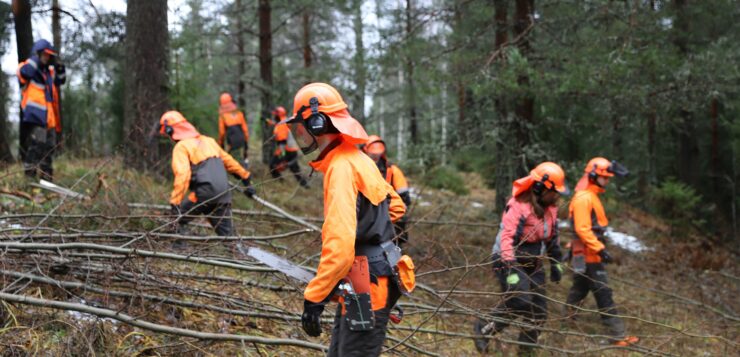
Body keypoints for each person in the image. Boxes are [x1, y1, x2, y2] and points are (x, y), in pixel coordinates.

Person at [286, 83, 410, 356]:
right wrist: (371, 225)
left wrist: (314, 297)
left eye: (301, 129)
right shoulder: (358, 159)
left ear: (317, 125)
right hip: (365, 277)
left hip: (366, 283)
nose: (300, 136)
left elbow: (340, 245)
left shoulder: (341, 168)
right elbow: (396, 207)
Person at [473, 162, 568, 355]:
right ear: (541, 188)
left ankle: (526, 351)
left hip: (533, 261)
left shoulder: (551, 209)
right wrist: (510, 270)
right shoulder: (519, 205)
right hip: (507, 258)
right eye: (555, 192)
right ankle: (483, 329)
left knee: (539, 311)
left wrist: (557, 263)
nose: (557, 196)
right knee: (520, 300)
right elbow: (507, 239)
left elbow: (552, 239)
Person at [565, 157, 639, 346]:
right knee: (603, 292)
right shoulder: (584, 198)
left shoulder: (589, 195)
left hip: (586, 252)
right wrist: (600, 249)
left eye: (608, 177)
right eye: (604, 177)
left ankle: (566, 320)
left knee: (580, 288)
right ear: (593, 176)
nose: (607, 180)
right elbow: (582, 229)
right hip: (589, 253)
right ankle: (617, 334)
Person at [160, 110, 255, 237]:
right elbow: (230, 161)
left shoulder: (181, 147)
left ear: (170, 130)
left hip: (204, 194)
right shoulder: (209, 141)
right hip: (223, 193)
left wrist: (175, 203)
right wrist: (246, 178)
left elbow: (183, 175)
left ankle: (178, 249)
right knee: (228, 237)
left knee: (176, 218)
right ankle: (240, 253)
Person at [17, 39, 66, 181]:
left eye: (48, 55)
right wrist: (35, 58)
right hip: (36, 116)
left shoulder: (49, 72)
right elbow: (26, 73)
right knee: (37, 145)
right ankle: (30, 178)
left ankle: (46, 179)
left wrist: (60, 67)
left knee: (49, 148)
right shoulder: (26, 67)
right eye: (44, 54)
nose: (47, 57)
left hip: (49, 118)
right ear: (37, 54)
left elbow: (61, 80)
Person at [363, 135, 412, 245]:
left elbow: (404, 197)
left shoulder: (392, 170)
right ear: (365, 150)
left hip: (390, 215)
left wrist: (395, 212)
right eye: (373, 154)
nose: (375, 156)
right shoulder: (359, 169)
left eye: (378, 154)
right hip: (368, 218)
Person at [268, 106, 308, 187]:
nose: (274, 116)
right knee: (294, 168)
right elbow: (278, 126)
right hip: (292, 149)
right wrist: (270, 122)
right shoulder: (284, 120)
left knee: (272, 165)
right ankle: (305, 185)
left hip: (287, 150)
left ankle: (280, 182)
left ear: (277, 115)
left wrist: (282, 157)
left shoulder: (281, 125)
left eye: (275, 114)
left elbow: (282, 141)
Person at [217, 92, 249, 168]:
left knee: (233, 161)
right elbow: (245, 130)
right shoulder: (239, 114)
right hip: (242, 140)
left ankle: (240, 175)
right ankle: (244, 170)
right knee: (241, 158)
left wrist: (221, 144)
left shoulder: (222, 116)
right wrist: (246, 141)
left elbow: (222, 133)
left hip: (232, 142)